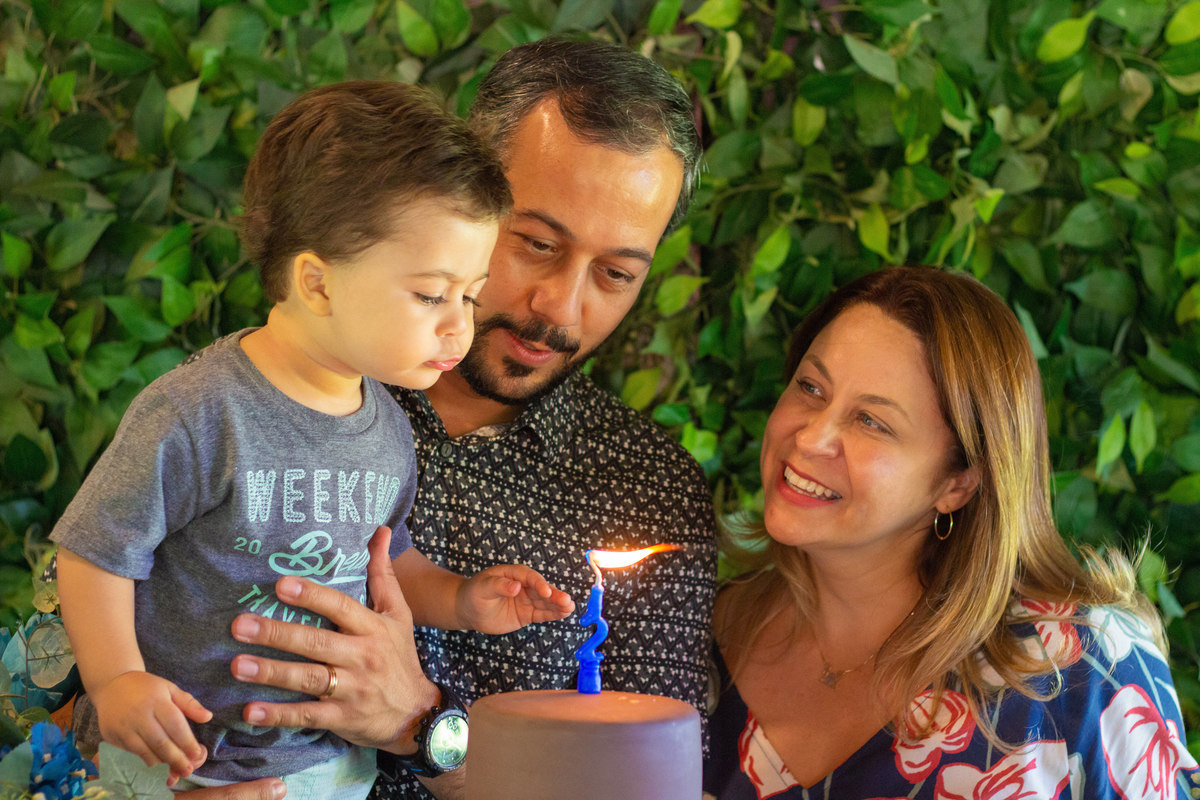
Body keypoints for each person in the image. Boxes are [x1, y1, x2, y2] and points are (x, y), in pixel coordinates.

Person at [210, 37, 717, 800]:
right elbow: (61, 667)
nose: (562, 306)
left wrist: (417, 726)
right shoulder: (278, 383)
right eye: (536, 243)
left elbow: (650, 784)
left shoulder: (645, 490)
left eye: (615, 274)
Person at [50, 81, 573, 799]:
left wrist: (460, 599)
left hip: (327, 769)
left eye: (470, 295)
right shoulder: (201, 411)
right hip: (176, 766)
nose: (460, 326)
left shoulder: (386, 423)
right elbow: (94, 551)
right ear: (317, 285)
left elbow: (386, 561)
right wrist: (117, 680)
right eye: (430, 294)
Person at [703, 266, 1200, 799]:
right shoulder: (697, 632)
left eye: (871, 421)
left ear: (958, 483)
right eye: (810, 386)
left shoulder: (1085, 673)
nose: (811, 436)